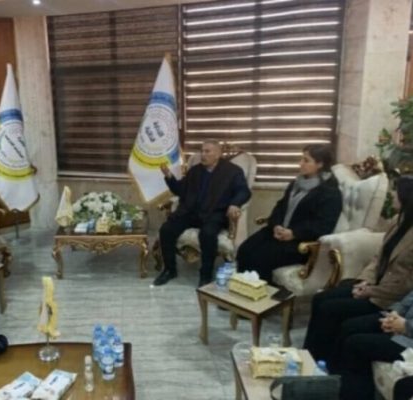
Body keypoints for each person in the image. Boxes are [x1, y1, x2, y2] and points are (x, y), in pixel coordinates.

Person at [303, 176, 413, 365]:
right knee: (321, 299)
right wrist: (365, 280)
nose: (392, 195)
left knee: (331, 309)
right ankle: (309, 357)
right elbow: (379, 256)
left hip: (388, 297)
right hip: (374, 284)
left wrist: (371, 291)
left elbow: (406, 285)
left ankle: (326, 363)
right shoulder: (398, 220)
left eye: (396, 192)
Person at [236, 144, 342, 282]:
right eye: (301, 159)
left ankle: (259, 293)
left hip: (301, 242)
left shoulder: (330, 192)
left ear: (320, 164)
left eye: (306, 160)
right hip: (279, 233)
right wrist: (276, 225)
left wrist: (293, 233)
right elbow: (280, 207)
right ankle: (241, 289)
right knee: (245, 249)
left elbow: (323, 225)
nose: (300, 163)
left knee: (260, 258)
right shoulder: (296, 183)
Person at [154, 140, 251, 287]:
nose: (202, 155)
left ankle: (205, 274)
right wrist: (169, 176)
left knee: (207, 234)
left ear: (218, 154)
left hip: (215, 213)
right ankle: (169, 270)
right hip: (191, 212)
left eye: (207, 151)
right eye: (202, 151)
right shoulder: (195, 170)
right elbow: (181, 190)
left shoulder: (233, 171)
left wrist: (234, 203)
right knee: (166, 229)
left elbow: (244, 191)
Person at [332, 286, 413, 400]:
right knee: (351, 328)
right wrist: (393, 315)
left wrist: (405, 326)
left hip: (409, 342)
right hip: (403, 328)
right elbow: (406, 302)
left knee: (355, 345)